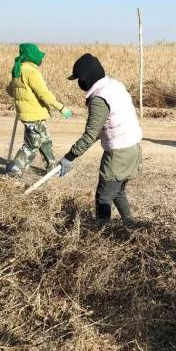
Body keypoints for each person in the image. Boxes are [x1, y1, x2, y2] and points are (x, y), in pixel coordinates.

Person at [59, 53, 143, 226]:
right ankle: (131, 227)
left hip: (119, 153)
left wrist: (70, 156)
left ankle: (102, 235)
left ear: (87, 77)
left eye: (79, 79)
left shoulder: (99, 98)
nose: (79, 83)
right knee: (117, 191)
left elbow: (91, 134)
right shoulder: (115, 85)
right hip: (133, 147)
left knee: (103, 196)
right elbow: (99, 128)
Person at [6, 43, 72, 177]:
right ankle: (16, 169)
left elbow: (10, 90)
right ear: (31, 55)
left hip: (27, 114)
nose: (40, 57)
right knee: (32, 145)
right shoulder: (31, 72)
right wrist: (61, 108)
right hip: (34, 114)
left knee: (44, 140)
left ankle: (52, 167)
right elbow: (44, 94)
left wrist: (20, 99)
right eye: (37, 54)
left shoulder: (18, 69)